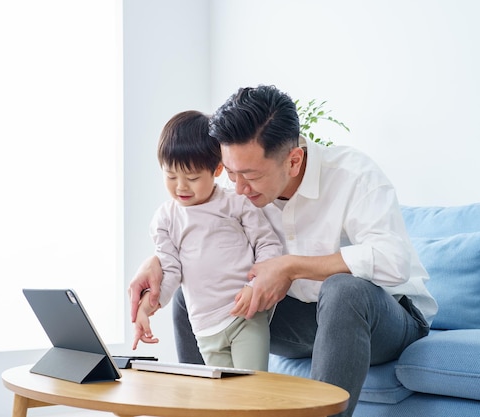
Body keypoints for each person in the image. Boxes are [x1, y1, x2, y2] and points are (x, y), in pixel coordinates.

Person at [129, 85, 438, 417]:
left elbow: (394, 263)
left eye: (250, 176)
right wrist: (158, 260)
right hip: (301, 319)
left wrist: (291, 266)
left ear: (293, 161)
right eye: (230, 173)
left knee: (343, 290)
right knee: (187, 298)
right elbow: (199, 237)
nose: (238, 188)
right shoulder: (237, 198)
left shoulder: (353, 175)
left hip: (386, 320)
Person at [131, 110, 283, 371]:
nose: (181, 187)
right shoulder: (165, 219)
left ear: (217, 169)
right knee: (222, 403)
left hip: (245, 315)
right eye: (171, 176)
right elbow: (169, 271)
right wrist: (148, 306)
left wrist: (256, 287)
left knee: (253, 393)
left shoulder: (235, 203)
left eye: (192, 178)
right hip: (205, 328)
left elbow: (268, 245)